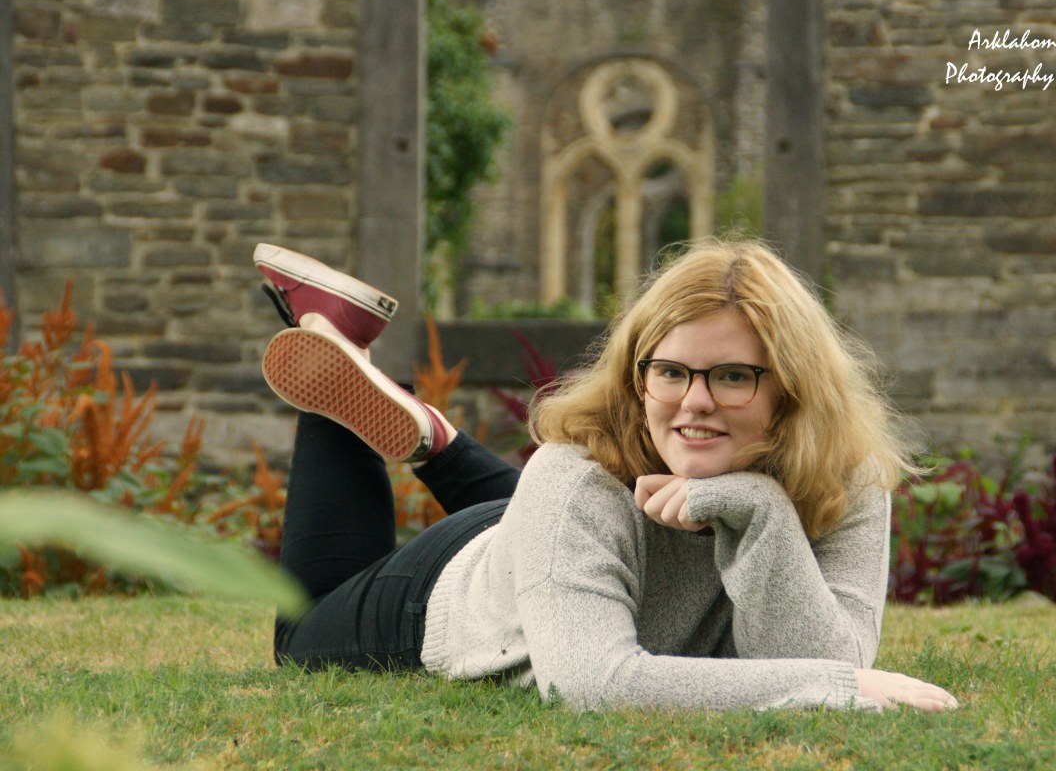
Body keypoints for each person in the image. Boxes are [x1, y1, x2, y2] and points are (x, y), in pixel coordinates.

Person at [254, 239, 958, 712]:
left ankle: (440, 444)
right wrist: (834, 688)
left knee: (571, 504)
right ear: (636, 377)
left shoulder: (845, 477)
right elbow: (592, 684)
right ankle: (331, 348)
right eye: (671, 372)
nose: (695, 401)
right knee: (301, 638)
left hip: (569, 539)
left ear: (793, 388)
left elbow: (826, 651)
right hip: (456, 588)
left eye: (733, 376)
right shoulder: (575, 481)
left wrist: (762, 510)